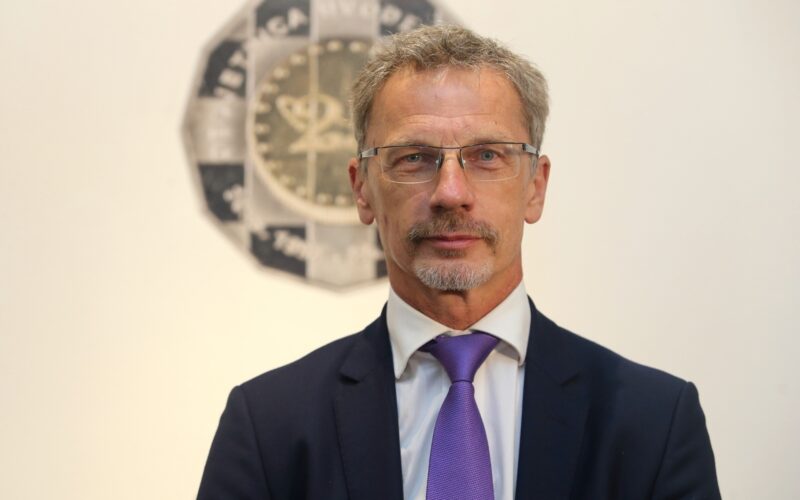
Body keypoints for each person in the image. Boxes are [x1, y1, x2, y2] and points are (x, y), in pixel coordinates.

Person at [197, 25, 721, 500]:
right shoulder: (269, 426)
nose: (451, 192)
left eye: (488, 155)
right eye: (414, 158)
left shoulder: (653, 422)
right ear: (362, 190)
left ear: (535, 187)